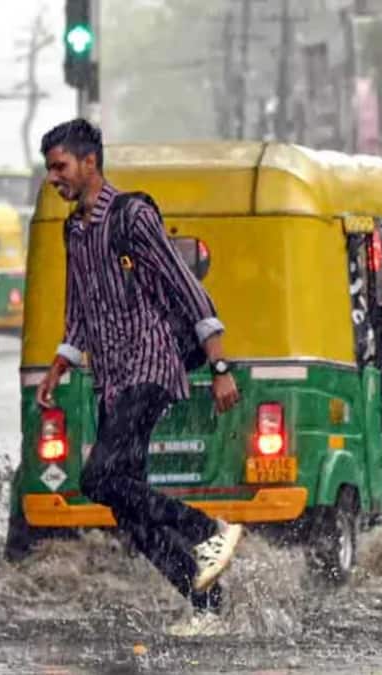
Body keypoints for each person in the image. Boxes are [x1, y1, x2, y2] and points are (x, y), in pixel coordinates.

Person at [34, 119, 244, 637]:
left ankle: (208, 529)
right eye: (49, 169)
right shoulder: (74, 228)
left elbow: (186, 286)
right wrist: (59, 365)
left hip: (150, 366)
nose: (54, 178)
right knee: (127, 511)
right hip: (111, 378)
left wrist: (219, 366)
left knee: (97, 478)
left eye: (60, 166)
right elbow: (78, 307)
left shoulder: (132, 215)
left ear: (89, 163)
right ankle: (207, 604)